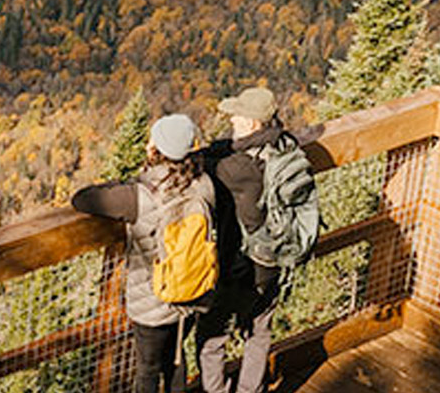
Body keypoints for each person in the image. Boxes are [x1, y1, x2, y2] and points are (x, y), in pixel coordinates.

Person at [72, 113, 216, 393]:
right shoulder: (205, 185)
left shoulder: (139, 195)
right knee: (175, 357)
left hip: (153, 303)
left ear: (156, 150)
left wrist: (119, 183)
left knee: (147, 369)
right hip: (193, 292)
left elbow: (82, 199)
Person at [197, 85, 292, 393]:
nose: (231, 120)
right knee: (260, 332)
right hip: (273, 260)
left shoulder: (235, 169)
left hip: (238, 266)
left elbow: (201, 166)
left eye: (237, 117)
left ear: (252, 124)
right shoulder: (286, 148)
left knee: (211, 338)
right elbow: (226, 147)